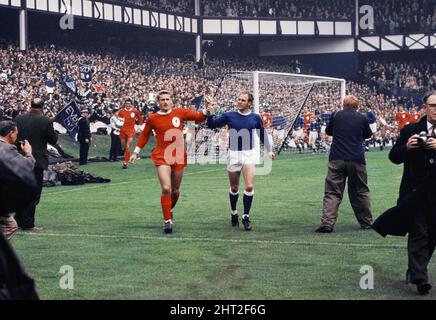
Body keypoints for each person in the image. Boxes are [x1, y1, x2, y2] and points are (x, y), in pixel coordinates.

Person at [373, 92, 436, 295]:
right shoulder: (410, 129)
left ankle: (415, 271)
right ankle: (420, 278)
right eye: (433, 105)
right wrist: (407, 147)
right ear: (424, 107)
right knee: (420, 231)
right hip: (416, 192)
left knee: (432, 234)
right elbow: (394, 156)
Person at [129, 90, 207, 234]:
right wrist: (135, 152)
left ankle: (169, 209)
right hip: (161, 155)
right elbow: (145, 135)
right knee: (166, 188)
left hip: (178, 155)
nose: (165, 102)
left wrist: (209, 109)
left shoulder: (180, 112)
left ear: (171, 101)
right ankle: (167, 221)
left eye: (167, 99)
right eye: (162, 99)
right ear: (158, 102)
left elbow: (200, 117)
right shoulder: (153, 118)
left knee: (175, 191)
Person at [206, 92, 275, 231]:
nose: (239, 101)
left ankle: (245, 216)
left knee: (249, 186)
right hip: (233, 154)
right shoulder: (229, 115)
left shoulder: (255, 117)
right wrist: (210, 114)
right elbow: (212, 125)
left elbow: (262, 133)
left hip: (248, 154)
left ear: (249, 102)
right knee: (234, 188)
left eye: (243, 100)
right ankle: (233, 213)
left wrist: (269, 150)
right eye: (238, 99)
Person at [315, 95, 373, 233]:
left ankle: (327, 223)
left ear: (343, 105)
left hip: (337, 158)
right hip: (357, 159)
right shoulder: (363, 117)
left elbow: (329, 131)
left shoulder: (336, 116)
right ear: (357, 106)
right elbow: (368, 134)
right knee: (360, 191)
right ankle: (367, 223)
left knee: (332, 192)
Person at [14, 98, 58, 231]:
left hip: (19, 159)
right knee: (33, 193)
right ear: (42, 107)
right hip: (37, 161)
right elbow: (53, 139)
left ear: (30, 105)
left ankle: (19, 220)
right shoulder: (46, 121)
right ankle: (28, 223)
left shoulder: (18, 119)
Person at [0, 121, 36, 240]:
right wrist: (28, 153)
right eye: (16, 133)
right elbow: (26, 167)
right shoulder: (8, 148)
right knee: (10, 225)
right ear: (10, 134)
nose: (16, 136)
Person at [118, 98, 143, 169]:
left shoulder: (135, 111)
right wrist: (119, 125)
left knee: (128, 146)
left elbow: (140, 119)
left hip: (131, 131)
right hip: (122, 130)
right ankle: (126, 156)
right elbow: (119, 120)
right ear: (125, 104)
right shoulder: (121, 111)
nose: (128, 105)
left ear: (131, 104)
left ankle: (125, 163)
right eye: (127, 104)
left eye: (129, 104)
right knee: (123, 147)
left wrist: (139, 127)